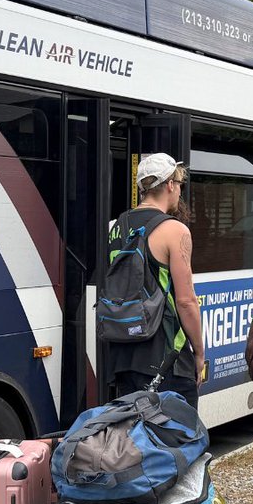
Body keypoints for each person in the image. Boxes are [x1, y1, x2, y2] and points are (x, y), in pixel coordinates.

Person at [106, 153, 205, 409]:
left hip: (122, 353)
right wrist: (199, 353)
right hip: (165, 357)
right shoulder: (175, 230)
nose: (179, 191)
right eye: (179, 184)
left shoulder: (115, 226)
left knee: (133, 441)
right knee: (177, 439)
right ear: (170, 184)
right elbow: (185, 301)